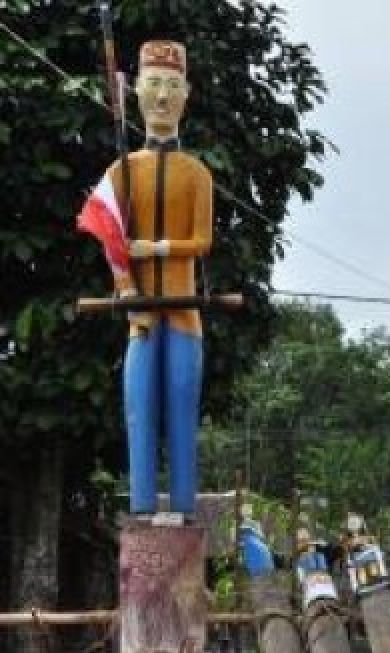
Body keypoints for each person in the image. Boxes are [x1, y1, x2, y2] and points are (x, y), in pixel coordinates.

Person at [86, 40, 213, 516]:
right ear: (135, 90)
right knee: (139, 412)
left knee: (181, 414)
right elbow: (108, 234)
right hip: (139, 314)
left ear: (187, 94)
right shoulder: (122, 170)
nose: (162, 96)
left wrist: (155, 248)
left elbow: (201, 242)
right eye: (154, 83)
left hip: (182, 312)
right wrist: (128, 291)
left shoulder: (196, 173)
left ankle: (182, 510)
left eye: (173, 85)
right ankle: (141, 511)